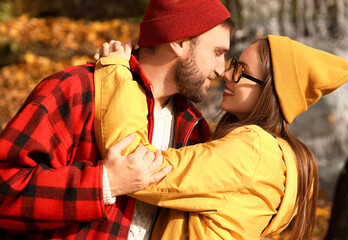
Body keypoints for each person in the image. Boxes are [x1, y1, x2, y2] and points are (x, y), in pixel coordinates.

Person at [0, 0, 234, 239]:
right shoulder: (77, 90)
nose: (221, 69)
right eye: (217, 53)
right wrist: (105, 183)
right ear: (179, 41)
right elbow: (5, 192)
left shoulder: (195, 129)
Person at [94, 35, 348, 239]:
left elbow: (136, 167)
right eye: (233, 64)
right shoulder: (265, 152)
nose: (227, 75)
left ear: (270, 91)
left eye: (241, 69)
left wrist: (115, 71)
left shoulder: (253, 150)